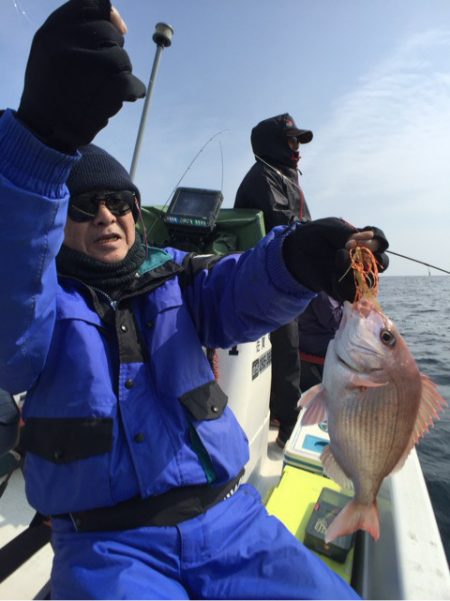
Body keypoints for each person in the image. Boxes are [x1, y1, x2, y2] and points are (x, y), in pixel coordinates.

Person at [0, 1, 389, 599]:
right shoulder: (39, 299)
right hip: (108, 548)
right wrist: (36, 149)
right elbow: (12, 330)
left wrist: (296, 260)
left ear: (137, 214)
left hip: (236, 524)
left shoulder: (179, 279)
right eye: (83, 207)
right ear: (56, 224)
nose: (107, 217)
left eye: (120, 203)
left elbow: (240, 288)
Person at [234, 113, 313, 448]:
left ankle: (284, 412)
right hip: (267, 284)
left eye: (298, 141)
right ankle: (288, 425)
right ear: (274, 143)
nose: (297, 148)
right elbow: (286, 227)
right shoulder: (265, 178)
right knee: (286, 350)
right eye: (291, 140)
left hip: (283, 279)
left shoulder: (283, 175)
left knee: (291, 351)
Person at [298, 291, 343, 392]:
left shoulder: (312, 283)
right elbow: (334, 320)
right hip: (318, 357)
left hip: (308, 350)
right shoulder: (321, 290)